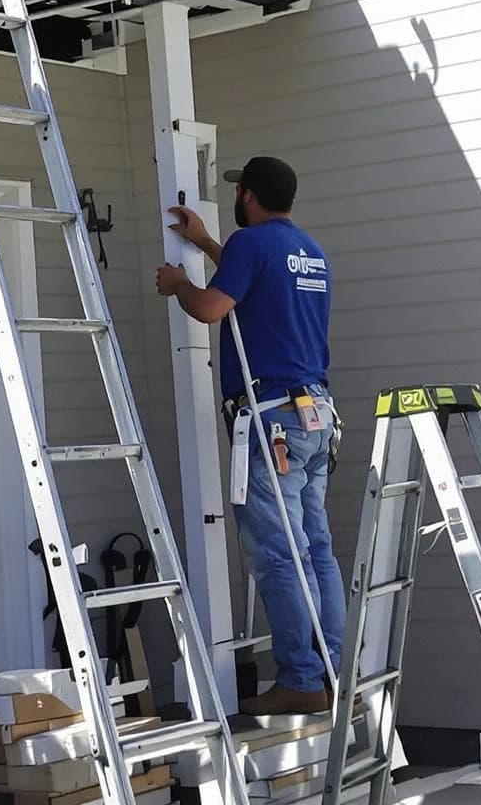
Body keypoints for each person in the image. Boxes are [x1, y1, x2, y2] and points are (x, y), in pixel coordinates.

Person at [155, 155, 343, 717]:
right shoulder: (310, 252)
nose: (238, 197)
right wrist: (210, 243)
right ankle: (332, 670)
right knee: (317, 551)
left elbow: (214, 308)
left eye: (240, 191)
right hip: (314, 415)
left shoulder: (250, 245)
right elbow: (255, 284)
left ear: (251, 197)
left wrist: (180, 284)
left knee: (278, 555)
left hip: (271, 418)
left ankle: (301, 680)